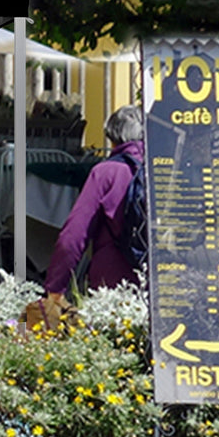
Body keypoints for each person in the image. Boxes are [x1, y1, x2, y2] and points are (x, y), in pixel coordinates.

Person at [44, 104, 144, 297]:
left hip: (112, 288)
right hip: (163, 290)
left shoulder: (105, 173)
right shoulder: (165, 173)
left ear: (113, 138)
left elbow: (72, 238)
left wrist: (54, 289)